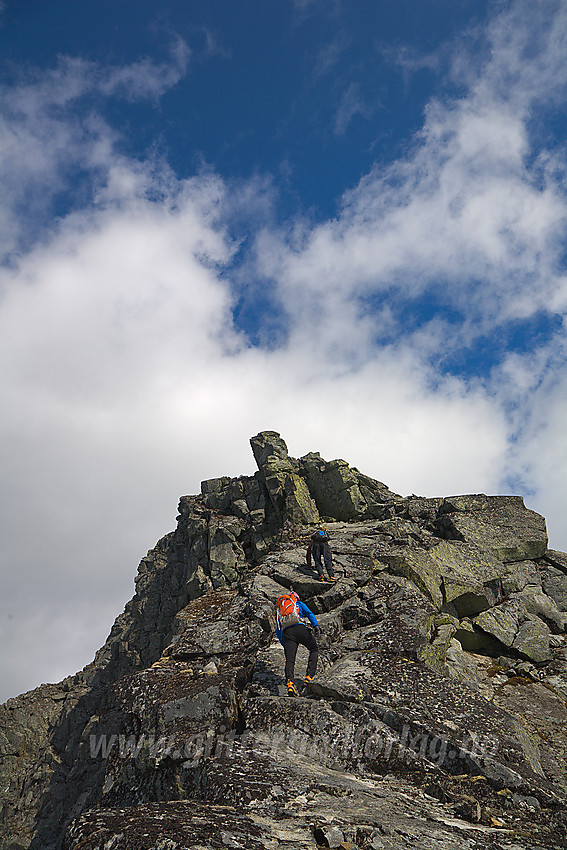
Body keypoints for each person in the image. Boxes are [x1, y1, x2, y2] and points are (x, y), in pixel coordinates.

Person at [275, 591, 320, 697]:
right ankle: (309, 676)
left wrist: (284, 643)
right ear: (296, 598)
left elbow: (278, 628)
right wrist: (316, 625)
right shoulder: (298, 604)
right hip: (300, 628)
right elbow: (309, 613)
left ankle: (290, 683)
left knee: (290, 660)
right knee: (314, 649)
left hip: (287, 633)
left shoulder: (280, 610)